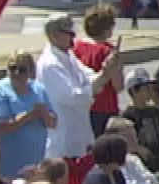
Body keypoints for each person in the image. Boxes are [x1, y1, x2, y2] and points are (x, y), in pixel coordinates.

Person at [36, 13, 114, 162]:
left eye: (73, 33)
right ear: (54, 35)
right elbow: (71, 96)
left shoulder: (69, 56)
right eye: (68, 33)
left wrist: (105, 72)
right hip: (64, 143)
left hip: (80, 135)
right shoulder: (50, 64)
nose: (73, 37)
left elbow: (88, 76)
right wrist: (101, 79)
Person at [0, 51, 56, 180]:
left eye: (22, 69)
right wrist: (29, 116)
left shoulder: (39, 90)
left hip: (34, 168)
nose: (16, 73)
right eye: (12, 68)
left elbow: (53, 123)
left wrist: (45, 114)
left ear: (31, 71)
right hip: (7, 171)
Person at [73, 5, 124, 136]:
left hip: (81, 105)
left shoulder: (77, 47)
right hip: (104, 108)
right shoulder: (108, 51)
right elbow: (118, 86)